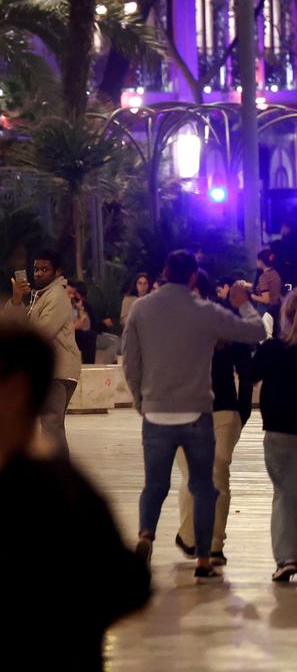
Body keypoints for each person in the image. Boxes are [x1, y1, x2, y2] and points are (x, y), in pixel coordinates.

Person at [0, 321, 151, 672]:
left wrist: (53, 633)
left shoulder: (27, 492)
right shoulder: (41, 479)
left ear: (13, 390)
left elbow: (127, 584)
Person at [122, 249, 267, 580]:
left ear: (165, 272)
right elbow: (257, 331)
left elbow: (130, 360)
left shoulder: (141, 309)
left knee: (154, 485)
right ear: (192, 277)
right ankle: (204, 560)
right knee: (204, 487)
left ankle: (146, 535)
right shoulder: (205, 311)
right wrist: (243, 301)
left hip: (157, 412)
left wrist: (140, 399)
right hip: (197, 411)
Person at [171, 280, 254, 568]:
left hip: (222, 412)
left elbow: (246, 367)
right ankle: (190, 536)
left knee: (218, 470)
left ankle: (214, 544)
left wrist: (243, 410)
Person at [5, 251, 80, 456]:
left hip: (56, 370)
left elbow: (41, 332)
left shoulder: (56, 296)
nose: (38, 273)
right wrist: (16, 299)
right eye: (36, 269)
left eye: (44, 269)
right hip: (49, 370)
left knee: (51, 424)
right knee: (51, 425)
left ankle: (61, 479)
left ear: (58, 272)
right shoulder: (42, 296)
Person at [252, 311, 297, 582]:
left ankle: (287, 558)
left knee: (283, 493)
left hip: (279, 430)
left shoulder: (273, 349)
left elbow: (250, 375)